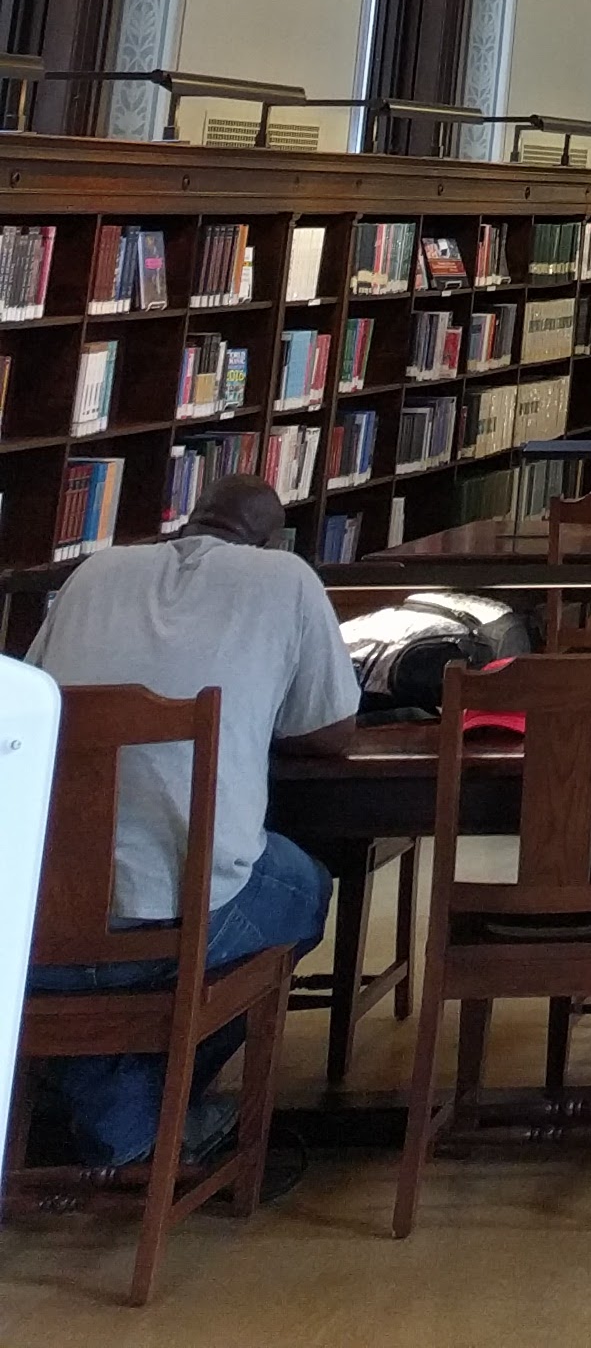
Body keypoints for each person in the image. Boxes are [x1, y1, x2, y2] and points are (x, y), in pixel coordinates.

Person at [28, 474, 359, 1167]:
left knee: (111, 941)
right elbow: (331, 728)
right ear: (272, 540)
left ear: (187, 521)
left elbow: (30, 708)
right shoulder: (285, 578)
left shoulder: (94, 572)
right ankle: (148, 1117)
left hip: (34, 930)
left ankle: (113, 1104)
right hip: (172, 928)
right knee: (305, 889)